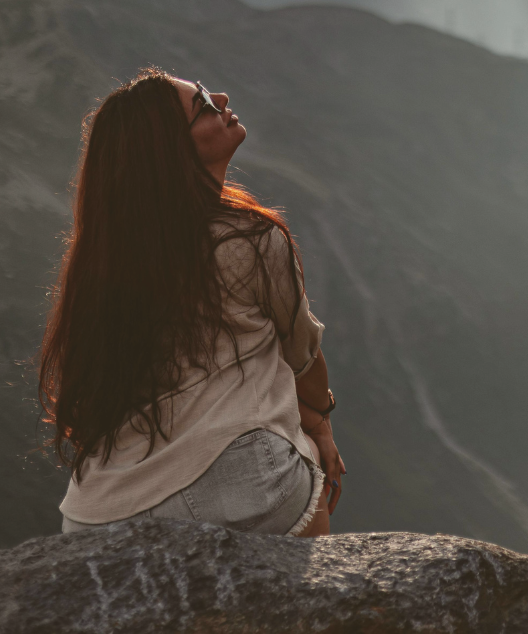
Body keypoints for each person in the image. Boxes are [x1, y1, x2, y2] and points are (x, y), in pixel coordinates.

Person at [37, 67, 345, 537]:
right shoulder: (252, 239)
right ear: (172, 151)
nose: (220, 95)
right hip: (242, 486)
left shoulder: (103, 260)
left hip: (96, 514)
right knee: (308, 484)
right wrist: (320, 426)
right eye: (202, 102)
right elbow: (301, 356)